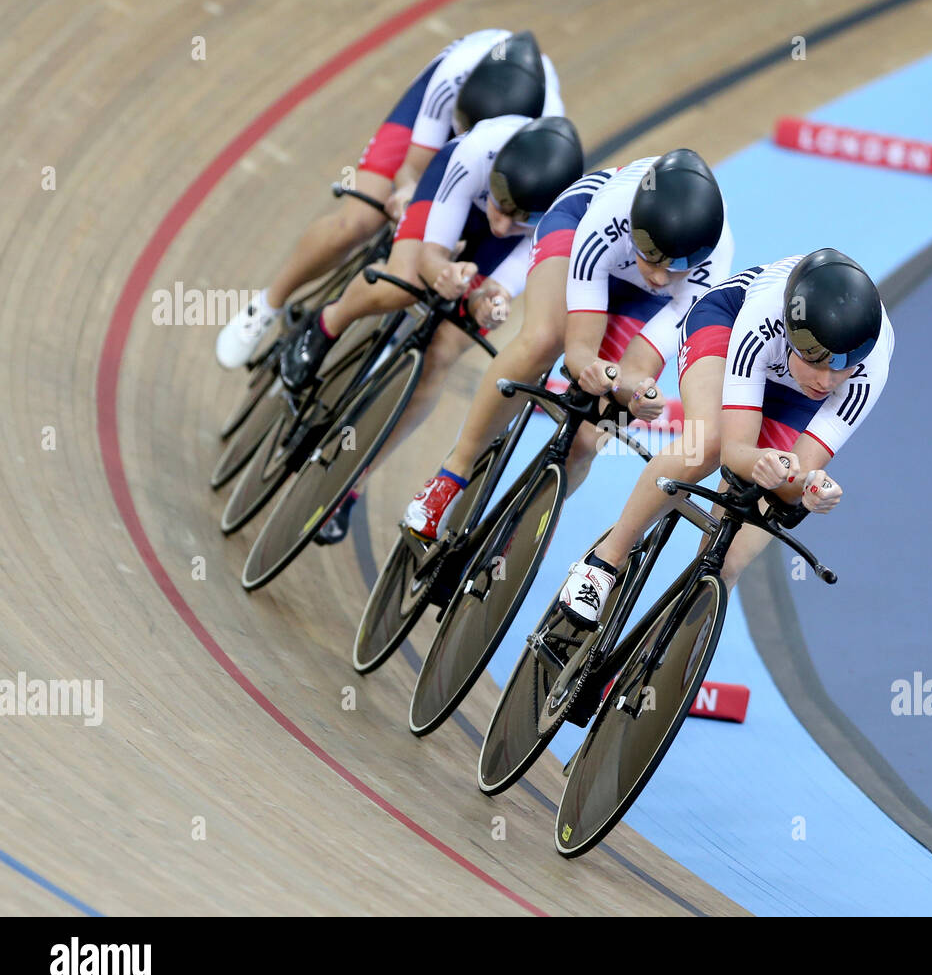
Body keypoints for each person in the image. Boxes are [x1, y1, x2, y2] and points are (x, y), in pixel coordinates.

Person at [400, 148, 736, 540]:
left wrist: (637, 391)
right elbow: (579, 352)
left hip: (648, 306)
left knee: (594, 434)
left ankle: (521, 536)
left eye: (676, 266)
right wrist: (590, 367)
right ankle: (451, 475)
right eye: (654, 258)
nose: (662, 277)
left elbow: (639, 365)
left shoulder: (711, 262)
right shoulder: (611, 215)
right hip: (577, 231)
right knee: (544, 339)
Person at [284, 113, 585, 542]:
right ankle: (324, 324)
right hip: (456, 192)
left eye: (520, 216)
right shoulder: (476, 154)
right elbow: (431, 254)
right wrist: (440, 271)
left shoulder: (560, 222)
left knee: (444, 352)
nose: (502, 222)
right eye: (502, 205)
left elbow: (500, 290)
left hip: (508, 249)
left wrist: (488, 303)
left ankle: (354, 484)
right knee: (403, 285)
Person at [554, 248, 895, 626]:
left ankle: (665, 659)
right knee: (708, 442)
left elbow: (795, 479)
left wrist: (810, 486)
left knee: (729, 560)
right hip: (725, 327)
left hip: (794, 400)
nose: (826, 381)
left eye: (841, 369)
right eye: (816, 362)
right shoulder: (765, 317)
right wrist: (759, 461)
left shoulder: (871, 366)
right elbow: (735, 452)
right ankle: (605, 560)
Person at [214, 29, 563, 368]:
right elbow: (412, 167)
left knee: (445, 316)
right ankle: (266, 304)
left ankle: (390, 337)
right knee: (358, 220)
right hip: (444, 124)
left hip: (494, 169)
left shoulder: (541, 147)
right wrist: (408, 191)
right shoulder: (455, 76)